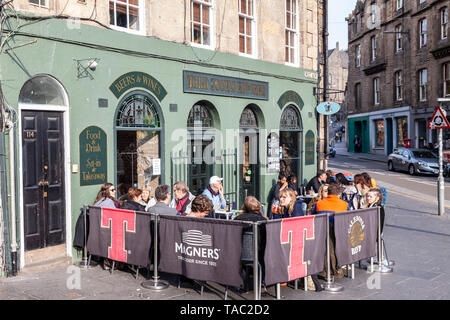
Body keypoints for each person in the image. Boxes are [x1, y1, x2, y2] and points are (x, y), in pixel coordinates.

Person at [315, 183, 350, 279]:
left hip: (322, 231)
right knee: (334, 250)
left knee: (326, 249)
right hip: (340, 231)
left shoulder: (319, 204)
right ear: (338, 194)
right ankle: (335, 270)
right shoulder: (345, 204)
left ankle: (325, 270)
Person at [234, 196, 267, 292]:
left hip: (239, 254)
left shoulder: (237, 219)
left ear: (244, 206)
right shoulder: (263, 221)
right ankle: (261, 281)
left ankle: (244, 281)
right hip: (259, 255)